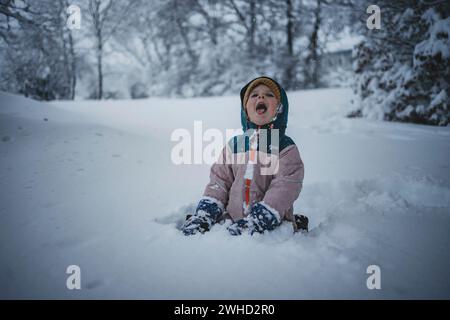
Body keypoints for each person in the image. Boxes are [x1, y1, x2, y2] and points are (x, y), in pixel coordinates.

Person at [182, 76, 307, 236]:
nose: (261, 97)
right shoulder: (234, 146)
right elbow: (220, 181)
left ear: (279, 108)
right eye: (254, 95)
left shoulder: (284, 147)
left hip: (270, 228)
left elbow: (286, 184)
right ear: (246, 110)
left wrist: (263, 216)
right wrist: (207, 210)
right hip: (232, 223)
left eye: (269, 95)